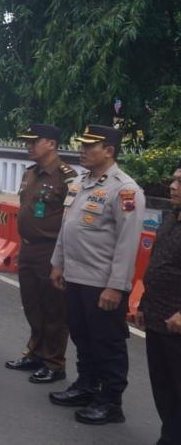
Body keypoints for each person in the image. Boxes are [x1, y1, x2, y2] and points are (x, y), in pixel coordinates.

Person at [49, 124, 145, 425]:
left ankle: (111, 401)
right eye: (82, 144)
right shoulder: (81, 182)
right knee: (82, 336)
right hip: (76, 277)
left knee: (108, 342)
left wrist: (116, 287)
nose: (82, 150)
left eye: (90, 146)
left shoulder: (125, 189)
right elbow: (68, 228)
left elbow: (127, 245)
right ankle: (87, 385)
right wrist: (58, 262)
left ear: (109, 151)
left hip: (102, 283)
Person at [4, 124, 76, 383]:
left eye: (34, 141)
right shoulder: (31, 173)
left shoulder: (67, 178)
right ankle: (35, 352)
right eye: (27, 142)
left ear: (52, 144)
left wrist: (62, 260)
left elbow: (71, 222)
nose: (29, 146)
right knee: (32, 304)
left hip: (51, 250)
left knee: (54, 309)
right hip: (29, 248)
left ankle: (55, 363)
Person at [137, 160, 181, 444]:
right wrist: (142, 302)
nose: (173, 186)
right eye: (174, 179)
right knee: (162, 383)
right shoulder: (170, 217)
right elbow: (156, 264)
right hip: (156, 314)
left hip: (177, 321)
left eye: (180, 182)